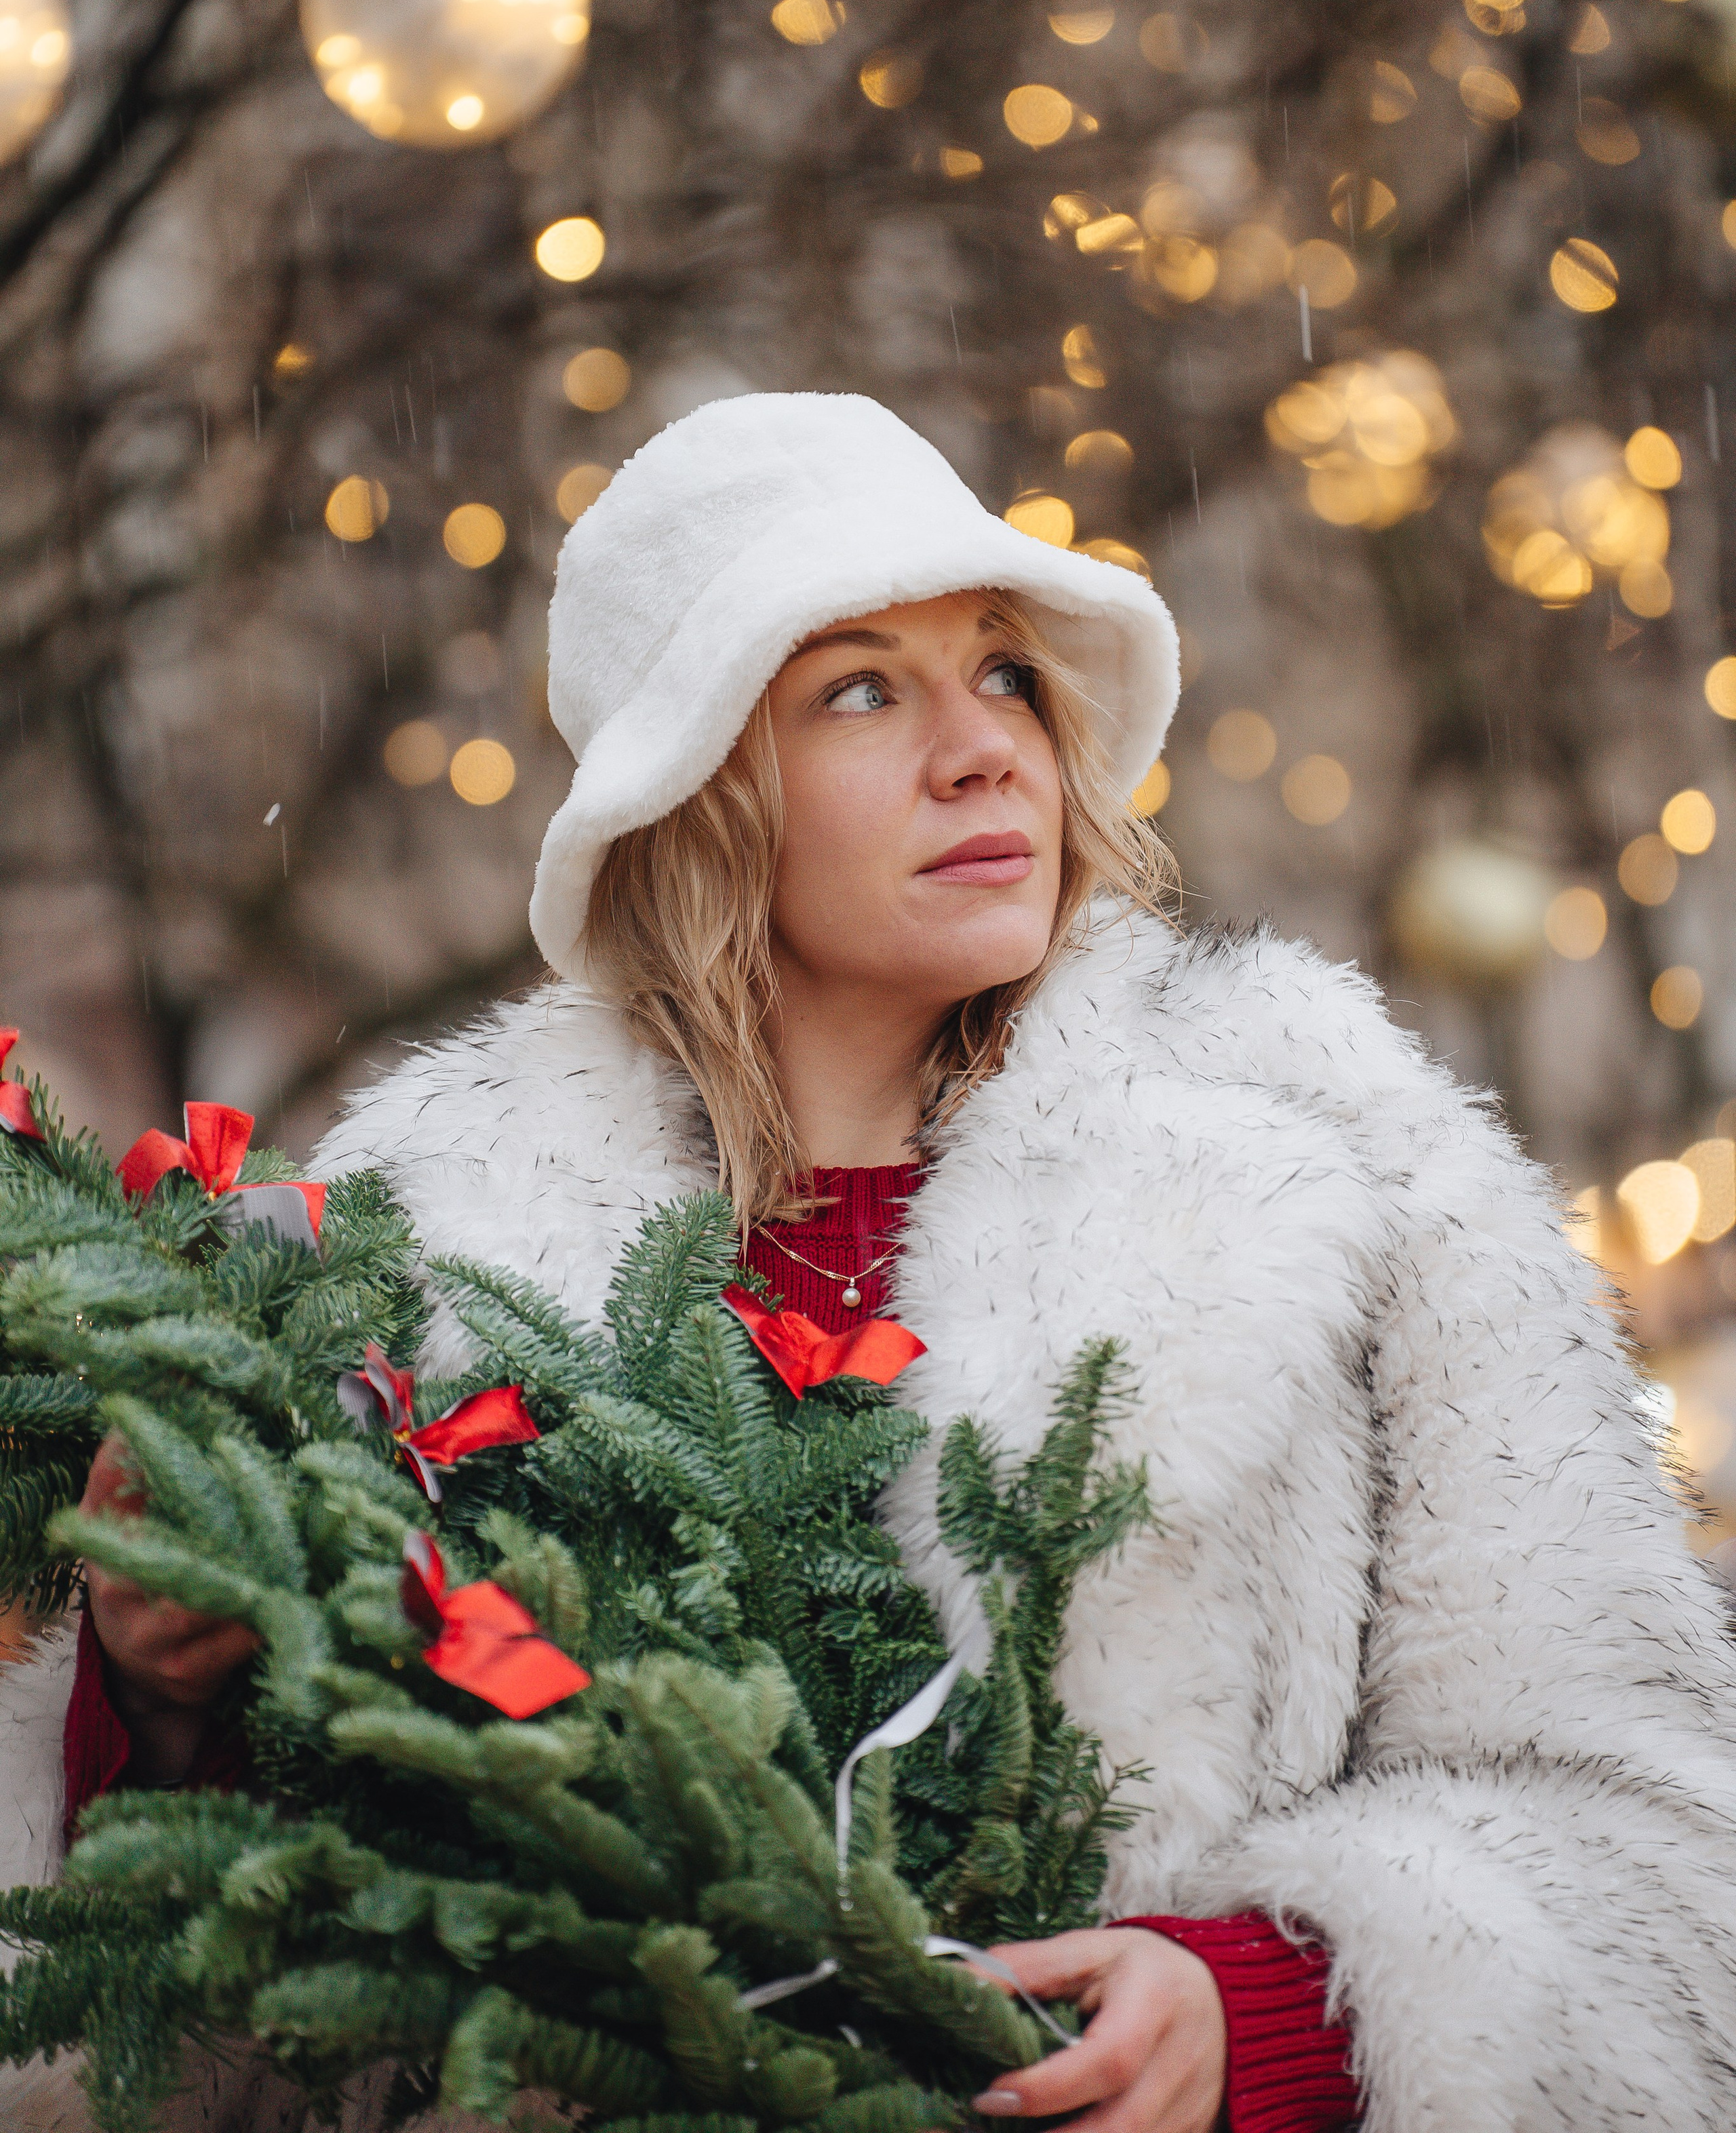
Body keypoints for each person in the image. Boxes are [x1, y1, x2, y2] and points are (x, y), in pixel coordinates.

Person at [7, 388, 1736, 2133]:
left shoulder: (1350, 1165)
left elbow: (1651, 1853)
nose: (983, 749)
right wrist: (163, 1712)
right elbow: (237, 1999)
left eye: (1003, 672)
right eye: (859, 689)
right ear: (696, 791)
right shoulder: (411, 1269)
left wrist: (1267, 2010)